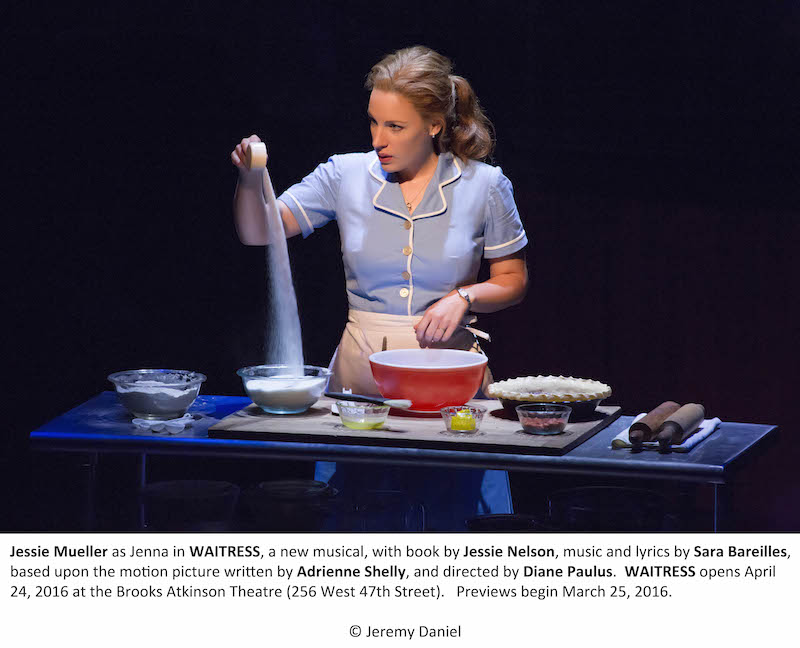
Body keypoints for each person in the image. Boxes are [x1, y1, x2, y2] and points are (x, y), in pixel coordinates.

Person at [231, 45, 528, 530]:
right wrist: (250, 179)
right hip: (360, 380)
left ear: (434, 124)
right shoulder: (345, 175)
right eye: (373, 123)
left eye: (395, 127)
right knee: (363, 526)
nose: (378, 140)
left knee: (451, 526)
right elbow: (259, 231)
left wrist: (464, 296)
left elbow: (513, 280)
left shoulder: (485, 185)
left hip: (448, 381)